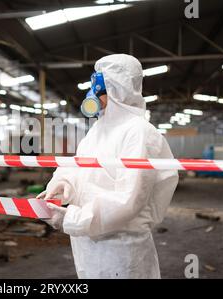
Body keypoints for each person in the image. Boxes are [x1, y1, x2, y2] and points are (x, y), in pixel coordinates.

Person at [38, 54, 179, 279]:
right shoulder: (98, 130)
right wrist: (64, 183)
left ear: (117, 90)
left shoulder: (139, 132)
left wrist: (72, 219)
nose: (92, 95)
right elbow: (80, 166)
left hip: (121, 250)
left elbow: (129, 200)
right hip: (87, 245)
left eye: (98, 88)